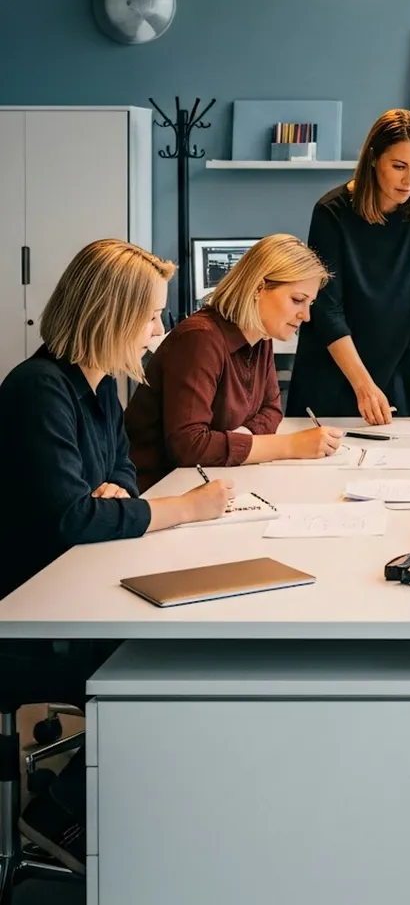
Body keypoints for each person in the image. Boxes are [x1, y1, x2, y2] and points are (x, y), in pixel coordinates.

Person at [0, 239, 234, 872]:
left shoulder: (100, 387)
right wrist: (185, 508)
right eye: (151, 317)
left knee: (194, 652)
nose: (159, 332)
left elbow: (123, 474)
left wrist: (118, 497)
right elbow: (72, 518)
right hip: (31, 618)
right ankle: (62, 811)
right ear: (109, 316)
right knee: (175, 670)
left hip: (74, 586)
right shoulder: (38, 391)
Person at [126, 234, 345, 487]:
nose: (306, 316)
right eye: (297, 300)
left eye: (310, 303)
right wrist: (288, 445)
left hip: (204, 481)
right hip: (158, 489)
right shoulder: (200, 339)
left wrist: (235, 442)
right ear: (259, 288)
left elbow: (271, 410)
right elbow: (189, 445)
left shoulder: (261, 336)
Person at [287, 109, 410, 426]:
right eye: (399, 166)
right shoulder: (331, 212)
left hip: (401, 365)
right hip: (335, 370)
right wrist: (363, 385)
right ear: (374, 158)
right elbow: (328, 310)